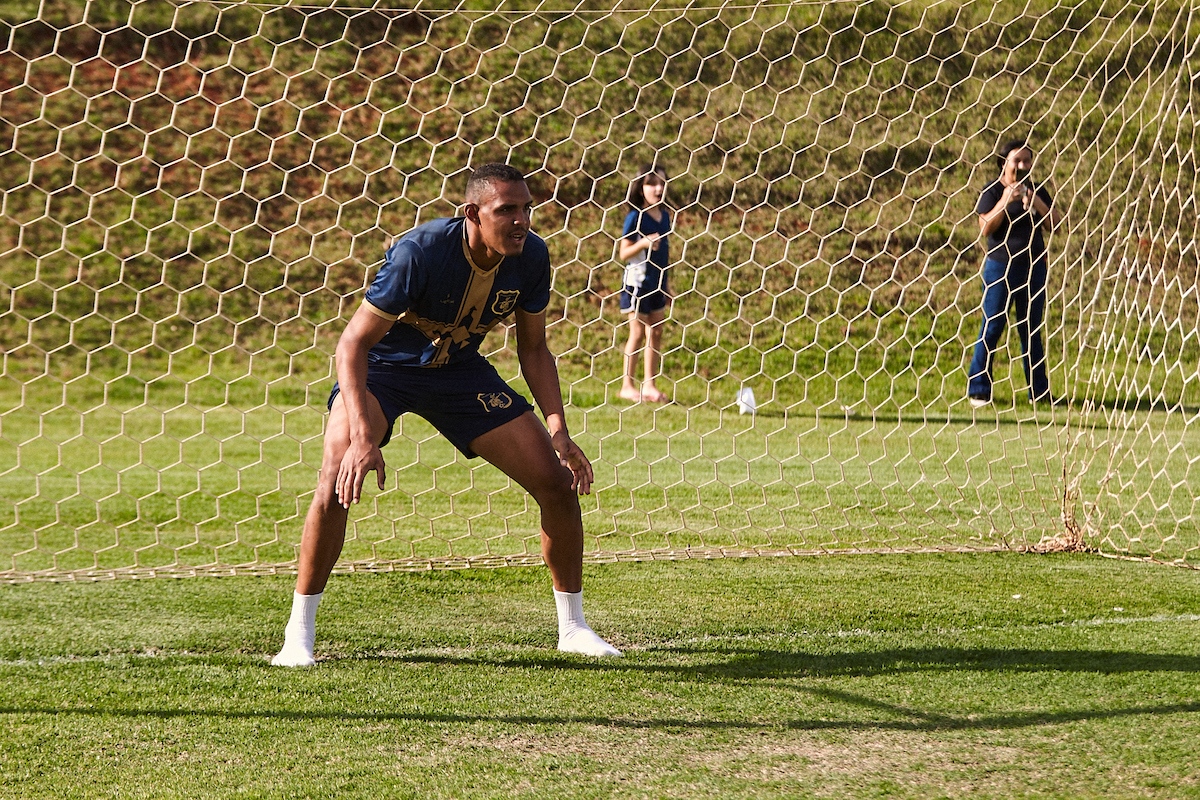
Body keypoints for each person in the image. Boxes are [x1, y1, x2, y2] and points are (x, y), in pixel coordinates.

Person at [272, 163, 621, 666]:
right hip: (384, 370)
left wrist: (559, 431)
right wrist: (365, 436)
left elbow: (536, 348)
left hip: (457, 371)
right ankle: (298, 638)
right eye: (507, 210)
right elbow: (351, 344)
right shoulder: (422, 252)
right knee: (336, 474)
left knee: (555, 481)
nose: (521, 220)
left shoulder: (532, 256)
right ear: (472, 214)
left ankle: (574, 628)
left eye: (526, 209)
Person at [967, 139, 1063, 408]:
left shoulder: (1036, 189)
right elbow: (985, 227)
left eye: (1026, 160)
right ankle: (979, 390)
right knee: (992, 326)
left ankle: (1039, 393)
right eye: (1016, 160)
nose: (1022, 166)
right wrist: (1005, 200)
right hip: (1000, 267)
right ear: (1003, 162)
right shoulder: (992, 190)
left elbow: (1057, 224)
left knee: (1031, 330)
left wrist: (1036, 203)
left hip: (1033, 267)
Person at [617, 165, 673, 403]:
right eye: (652, 183)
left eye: (662, 182)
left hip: (657, 283)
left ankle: (650, 384)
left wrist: (667, 285)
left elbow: (665, 254)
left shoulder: (665, 217)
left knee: (657, 331)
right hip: (637, 282)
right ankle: (627, 385)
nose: (658, 188)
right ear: (641, 188)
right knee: (638, 332)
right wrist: (644, 243)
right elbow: (623, 253)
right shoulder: (635, 216)